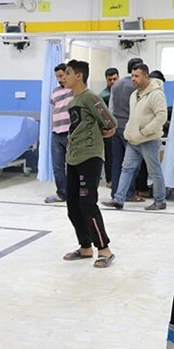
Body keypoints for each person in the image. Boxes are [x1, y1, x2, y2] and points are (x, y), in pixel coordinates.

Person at [60, 60, 117, 269]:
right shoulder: (72, 102)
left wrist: (104, 132)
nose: (63, 77)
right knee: (73, 206)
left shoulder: (91, 97)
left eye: (67, 73)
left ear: (79, 76)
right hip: (73, 157)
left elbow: (110, 121)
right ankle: (85, 247)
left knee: (87, 203)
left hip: (90, 157)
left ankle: (104, 249)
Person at [104, 63, 168, 211]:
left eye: (136, 76)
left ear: (146, 76)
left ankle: (160, 200)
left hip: (149, 140)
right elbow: (133, 116)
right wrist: (129, 131)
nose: (133, 79)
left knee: (154, 171)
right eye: (132, 75)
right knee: (126, 169)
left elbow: (161, 117)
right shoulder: (134, 94)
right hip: (133, 140)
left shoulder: (156, 94)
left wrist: (145, 131)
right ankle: (119, 199)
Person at [109, 57, 144, 201]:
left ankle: (115, 192)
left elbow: (111, 107)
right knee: (132, 163)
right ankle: (129, 193)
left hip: (116, 125)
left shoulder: (116, 84)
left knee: (117, 162)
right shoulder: (136, 86)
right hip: (130, 127)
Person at [45, 63, 72, 204]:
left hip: (70, 133)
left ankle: (73, 193)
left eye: (61, 76)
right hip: (56, 133)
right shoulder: (55, 92)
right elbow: (54, 109)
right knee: (57, 166)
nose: (60, 79)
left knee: (72, 166)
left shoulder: (74, 90)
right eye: (57, 77)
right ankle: (62, 193)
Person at [98, 67, 119, 188]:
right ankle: (110, 179)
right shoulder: (102, 96)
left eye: (115, 79)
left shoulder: (122, 92)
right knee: (109, 155)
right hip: (108, 130)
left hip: (121, 128)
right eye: (110, 79)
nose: (112, 82)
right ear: (106, 80)